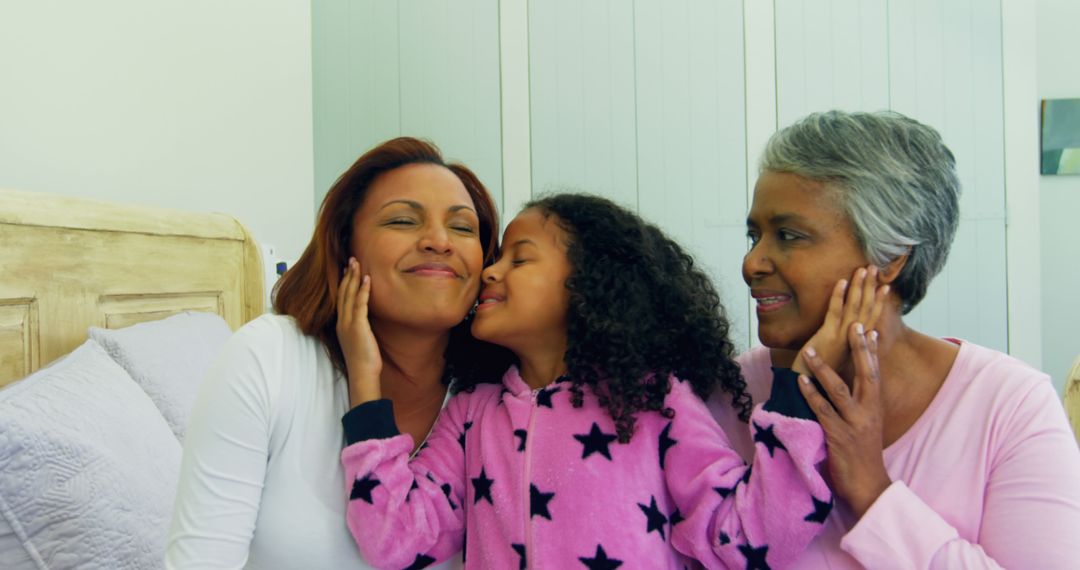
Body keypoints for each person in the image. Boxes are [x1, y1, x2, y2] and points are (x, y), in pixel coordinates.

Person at [337, 193, 838, 569]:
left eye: (520, 258)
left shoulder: (651, 398)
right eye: (497, 258)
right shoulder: (473, 411)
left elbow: (749, 533)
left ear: (588, 286)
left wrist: (794, 392)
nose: (490, 272)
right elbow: (395, 538)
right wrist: (365, 378)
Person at [713, 110, 1080, 569]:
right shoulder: (728, 395)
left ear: (888, 259)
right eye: (755, 236)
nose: (753, 264)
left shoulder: (1008, 405)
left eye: (789, 236)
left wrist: (872, 491)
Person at [166, 137, 510, 569]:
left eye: (463, 228)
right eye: (403, 220)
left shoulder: (502, 401)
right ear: (346, 247)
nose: (440, 241)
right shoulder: (269, 358)